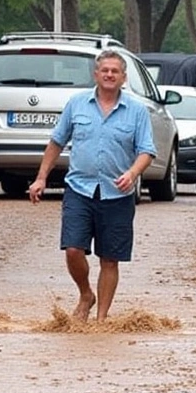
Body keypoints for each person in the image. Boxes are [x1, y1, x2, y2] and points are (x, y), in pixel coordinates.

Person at [29, 49, 156, 322]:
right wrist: (41, 178)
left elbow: (147, 151)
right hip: (79, 189)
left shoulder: (136, 111)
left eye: (115, 71)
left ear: (123, 77)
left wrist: (132, 174)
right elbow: (56, 142)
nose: (109, 75)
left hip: (117, 193)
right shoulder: (77, 104)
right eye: (105, 70)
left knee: (110, 258)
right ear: (96, 74)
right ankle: (86, 293)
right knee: (73, 248)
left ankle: (100, 319)